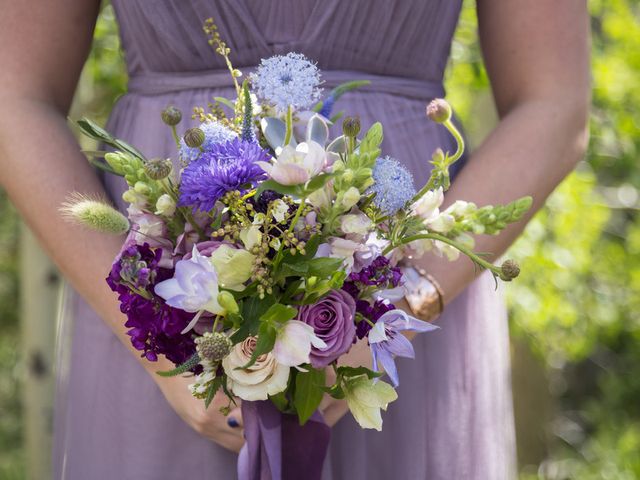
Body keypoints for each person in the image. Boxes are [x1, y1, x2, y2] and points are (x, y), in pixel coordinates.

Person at [0, 0, 589, 478]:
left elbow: (554, 101)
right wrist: (157, 345)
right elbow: (14, 94)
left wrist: (404, 299)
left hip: (409, 287)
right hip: (163, 291)